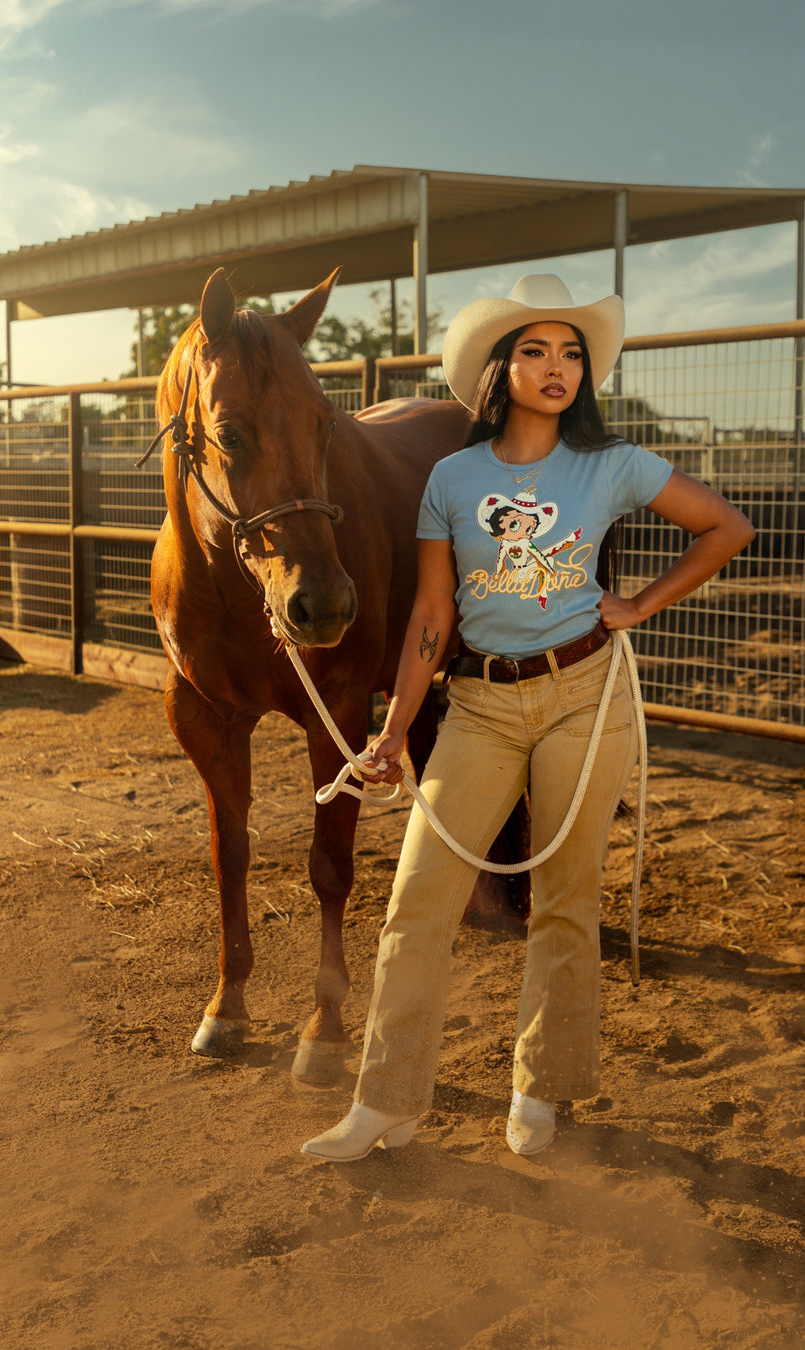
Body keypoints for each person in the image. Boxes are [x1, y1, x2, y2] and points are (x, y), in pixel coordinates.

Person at [301, 274, 755, 1163]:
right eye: (536, 351)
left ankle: (538, 1087)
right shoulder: (451, 477)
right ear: (500, 367)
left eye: (572, 353)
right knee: (417, 900)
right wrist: (393, 729)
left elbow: (725, 526)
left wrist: (642, 603)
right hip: (479, 703)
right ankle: (385, 1101)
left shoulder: (613, 463)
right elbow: (432, 616)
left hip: (586, 697)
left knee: (565, 903)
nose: (557, 368)